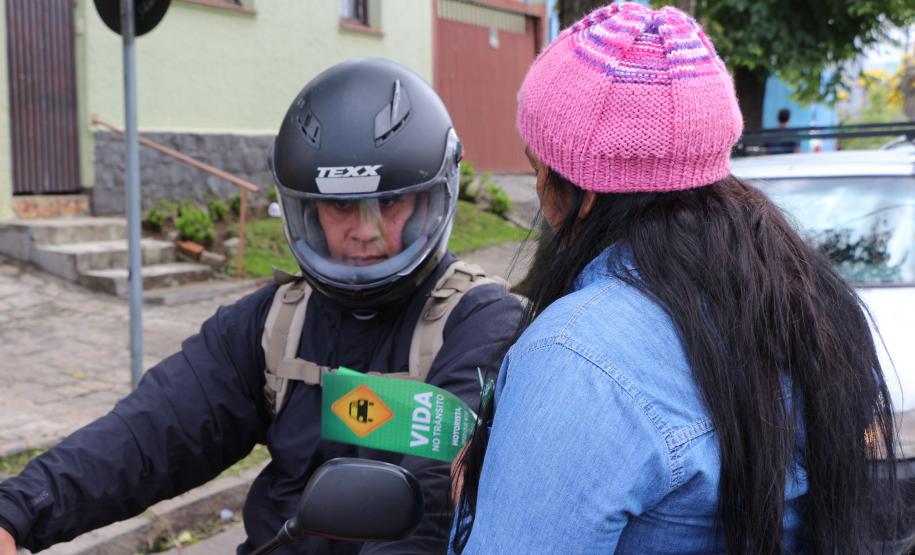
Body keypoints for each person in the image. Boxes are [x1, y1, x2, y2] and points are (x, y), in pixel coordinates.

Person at [0, 58, 523, 554]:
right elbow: (152, 431)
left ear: (432, 198)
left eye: (389, 202)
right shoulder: (276, 325)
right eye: (340, 206)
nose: (365, 231)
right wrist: (16, 511)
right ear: (305, 210)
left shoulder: (481, 324)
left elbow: (437, 503)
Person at [451, 4, 902, 553]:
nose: (538, 183)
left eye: (537, 163)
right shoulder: (809, 300)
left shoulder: (578, 353)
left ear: (583, 191)